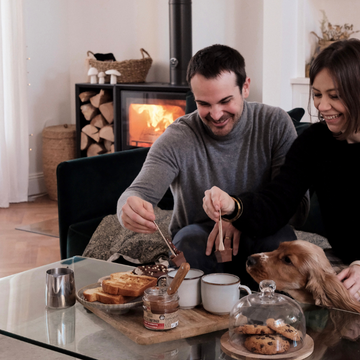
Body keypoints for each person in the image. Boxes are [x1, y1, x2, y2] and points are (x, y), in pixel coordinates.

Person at [117, 44, 309, 288]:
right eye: (204, 104)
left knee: (282, 240)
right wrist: (127, 208)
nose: (216, 114)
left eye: (225, 101)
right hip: (199, 241)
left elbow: (298, 209)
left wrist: (240, 217)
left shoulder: (275, 123)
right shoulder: (178, 136)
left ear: (245, 87)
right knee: (188, 242)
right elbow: (137, 192)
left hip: (263, 230)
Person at [203, 39, 360, 299]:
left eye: (334, 96)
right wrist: (232, 206)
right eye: (318, 95)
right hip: (345, 265)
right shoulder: (315, 141)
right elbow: (277, 204)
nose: (322, 106)